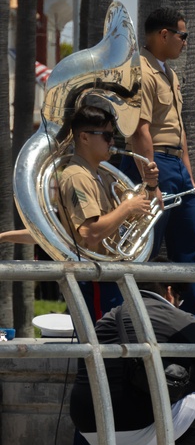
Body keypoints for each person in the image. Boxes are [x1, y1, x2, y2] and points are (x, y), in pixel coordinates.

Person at [1, 98, 156, 320]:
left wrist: (150, 186)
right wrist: (127, 207)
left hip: (110, 274)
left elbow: (58, 233)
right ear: (84, 137)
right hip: (94, 277)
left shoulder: (102, 174)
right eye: (106, 136)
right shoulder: (76, 176)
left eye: (113, 136)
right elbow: (89, 233)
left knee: (114, 347)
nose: (112, 142)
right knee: (103, 344)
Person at [69, 276, 195, 445]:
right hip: (137, 427)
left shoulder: (106, 318)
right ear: (170, 291)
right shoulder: (175, 316)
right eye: (179, 299)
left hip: (90, 430)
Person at [119, 7, 195, 320]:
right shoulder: (140, 70)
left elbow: (177, 129)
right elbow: (141, 130)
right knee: (143, 249)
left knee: (188, 250)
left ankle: (194, 324)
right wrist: (150, 182)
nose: (186, 42)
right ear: (163, 35)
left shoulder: (169, 73)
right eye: (183, 35)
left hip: (176, 168)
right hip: (152, 166)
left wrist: (189, 178)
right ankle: (127, 318)